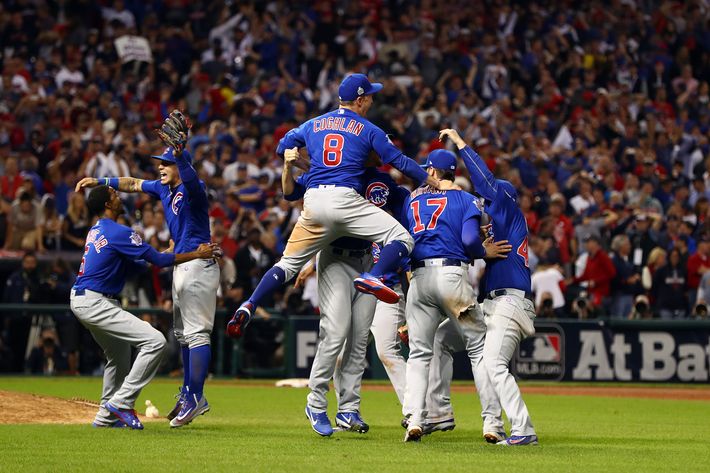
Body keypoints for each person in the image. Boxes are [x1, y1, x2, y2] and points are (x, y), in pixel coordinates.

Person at [227, 74, 441, 338]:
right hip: (343, 198)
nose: (372, 100)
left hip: (314, 199)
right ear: (360, 100)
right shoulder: (368, 128)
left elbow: (283, 147)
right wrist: (434, 181)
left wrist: (308, 166)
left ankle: (250, 302)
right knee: (401, 238)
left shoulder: (313, 124)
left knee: (287, 264)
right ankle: (373, 276)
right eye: (370, 96)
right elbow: (400, 161)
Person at [75, 111, 220, 428]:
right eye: (161, 162)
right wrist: (101, 181)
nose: (160, 167)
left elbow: (191, 178)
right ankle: (188, 393)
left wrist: (181, 156)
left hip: (198, 262)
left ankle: (195, 396)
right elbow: (131, 183)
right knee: (183, 335)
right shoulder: (163, 189)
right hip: (183, 263)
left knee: (196, 334)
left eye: (165, 163)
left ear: (179, 166)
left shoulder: (192, 188)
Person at [284, 150, 410, 436]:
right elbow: (293, 194)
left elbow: (405, 206)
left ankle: (348, 409)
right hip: (335, 257)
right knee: (336, 332)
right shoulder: (335, 173)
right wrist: (288, 166)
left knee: (358, 340)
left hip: (366, 260)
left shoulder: (383, 182)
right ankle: (315, 401)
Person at [401, 149, 510, 443]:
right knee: (479, 350)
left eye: (428, 170)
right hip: (452, 277)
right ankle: (492, 423)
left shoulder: (412, 199)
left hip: (419, 279)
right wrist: (481, 251)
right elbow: (470, 240)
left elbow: (404, 239)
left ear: (434, 172)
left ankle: (415, 418)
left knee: (419, 353)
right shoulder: (465, 198)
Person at [438, 128, 538, 446]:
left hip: (510, 302)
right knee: (441, 337)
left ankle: (523, 430)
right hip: (491, 304)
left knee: (494, 364)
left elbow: (486, 182)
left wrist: (461, 143)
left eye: (486, 202)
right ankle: (437, 414)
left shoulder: (506, 202)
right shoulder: (495, 232)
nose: (483, 205)